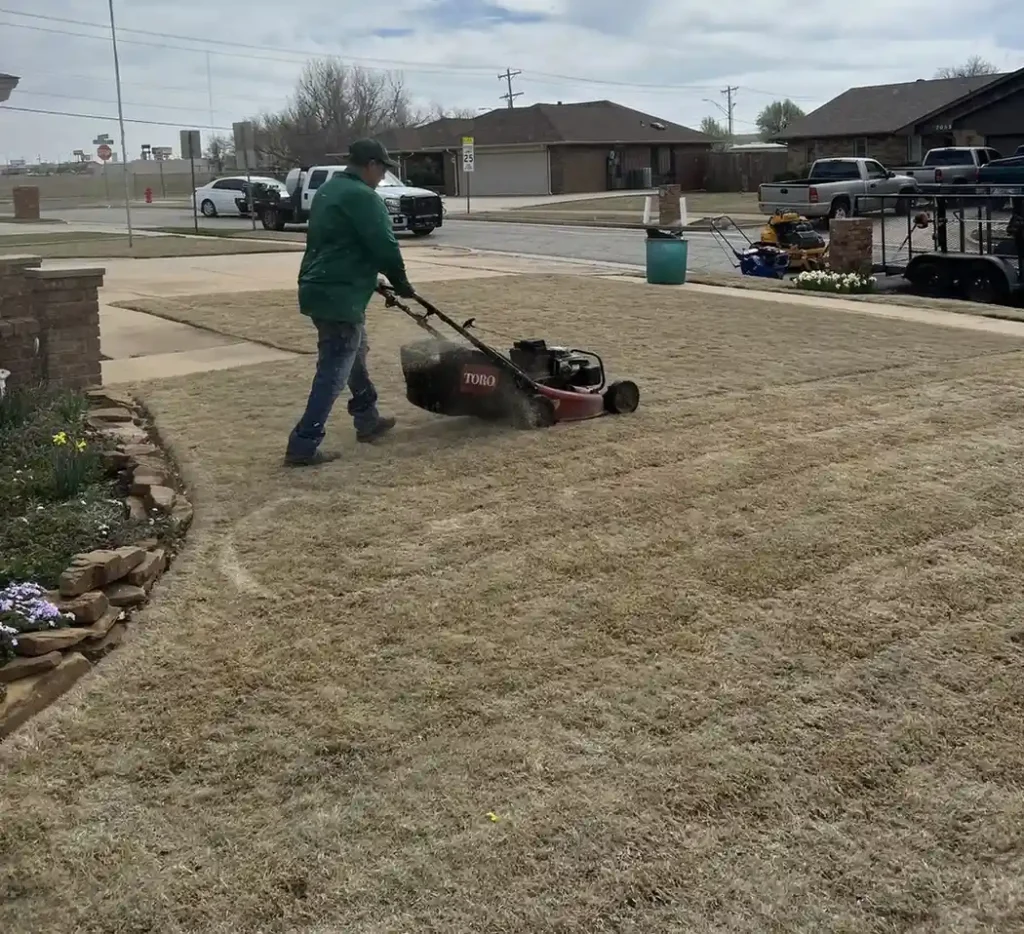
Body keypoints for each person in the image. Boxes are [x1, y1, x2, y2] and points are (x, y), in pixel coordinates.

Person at [284, 138, 417, 467]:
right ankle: (304, 443)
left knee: (354, 353)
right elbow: (385, 247)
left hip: (319, 286)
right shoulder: (363, 197)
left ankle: (367, 418)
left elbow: (339, 244)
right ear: (370, 164)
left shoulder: (329, 191)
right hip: (338, 294)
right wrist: (402, 285)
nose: (383, 177)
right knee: (334, 368)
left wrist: (371, 279)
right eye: (383, 169)